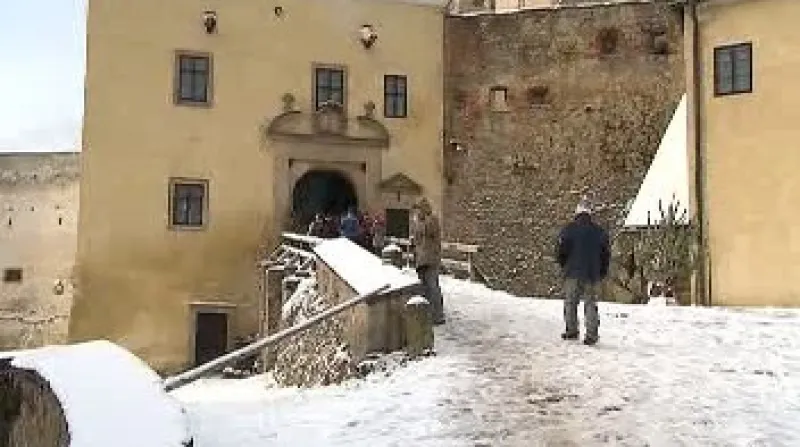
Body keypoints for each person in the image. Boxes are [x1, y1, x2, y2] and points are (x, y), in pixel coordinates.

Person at [556, 197, 610, 345]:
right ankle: (592, 335)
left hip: (572, 272)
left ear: (577, 213)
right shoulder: (599, 232)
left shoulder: (568, 230)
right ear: (590, 213)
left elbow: (561, 251)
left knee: (570, 303)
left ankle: (572, 330)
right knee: (590, 303)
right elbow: (606, 255)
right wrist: (602, 271)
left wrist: (564, 266)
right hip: (592, 273)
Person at [410, 197, 445, 325]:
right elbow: (416, 238)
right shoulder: (418, 221)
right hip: (421, 259)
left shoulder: (432, 220)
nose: (417, 212)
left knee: (433, 287)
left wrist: (420, 222)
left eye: (418, 209)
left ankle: (438, 315)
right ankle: (427, 314)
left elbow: (427, 231)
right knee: (424, 288)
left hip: (431, 259)